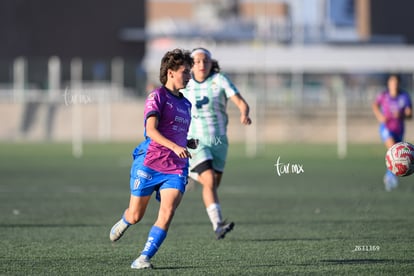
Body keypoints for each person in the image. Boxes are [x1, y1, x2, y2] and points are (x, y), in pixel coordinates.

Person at [109, 48, 196, 269]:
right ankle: (126, 219)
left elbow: (175, 132)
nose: (189, 76)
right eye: (185, 72)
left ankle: (143, 258)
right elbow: (152, 130)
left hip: (176, 167)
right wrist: (176, 146)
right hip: (150, 162)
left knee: (167, 212)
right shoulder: (157, 96)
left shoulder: (186, 104)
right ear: (170, 72)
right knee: (137, 215)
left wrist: (186, 143)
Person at [181, 47, 252, 239]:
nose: (202, 65)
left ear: (211, 63)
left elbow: (241, 102)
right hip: (195, 140)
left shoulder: (220, 80)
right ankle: (218, 225)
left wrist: (244, 113)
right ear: (191, 65)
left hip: (219, 141)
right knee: (210, 180)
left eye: (205, 61)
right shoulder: (185, 83)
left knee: (212, 184)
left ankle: (190, 173)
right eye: (197, 62)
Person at [372, 73, 412, 191]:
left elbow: (409, 114)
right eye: (392, 82)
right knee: (393, 149)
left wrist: (403, 114)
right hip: (386, 128)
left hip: (399, 129)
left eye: (396, 83)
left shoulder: (404, 96)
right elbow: (375, 105)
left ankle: (389, 176)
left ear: (399, 84)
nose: (394, 85)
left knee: (398, 154)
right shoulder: (384, 95)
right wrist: (380, 116)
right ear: (388, 84)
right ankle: (391, 177)